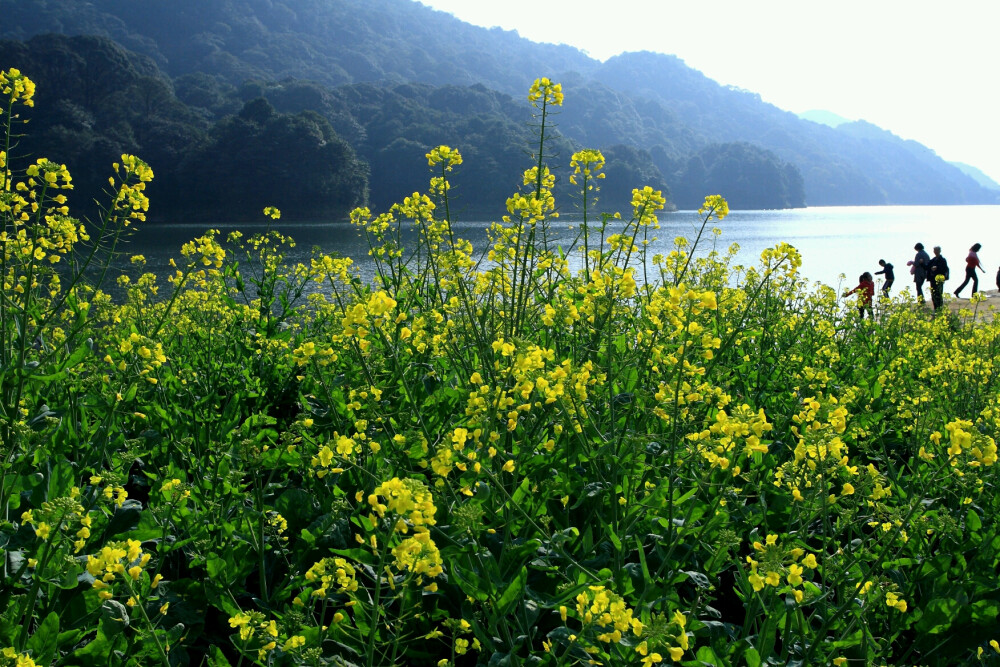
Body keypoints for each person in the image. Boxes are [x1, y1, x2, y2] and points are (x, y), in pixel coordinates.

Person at [926, 246, 949, 310]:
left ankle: (940, 308)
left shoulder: (942, 260)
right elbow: (927, 267)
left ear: (939, 251)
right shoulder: (933, 260)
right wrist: (921, 263)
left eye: (937, 250)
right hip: (932, 279)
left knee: (939, 293)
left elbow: (944, 269)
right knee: (933, 294)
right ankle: (935, 308)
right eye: (934, 250)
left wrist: (937, 268)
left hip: (939, 279)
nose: (935, 252)